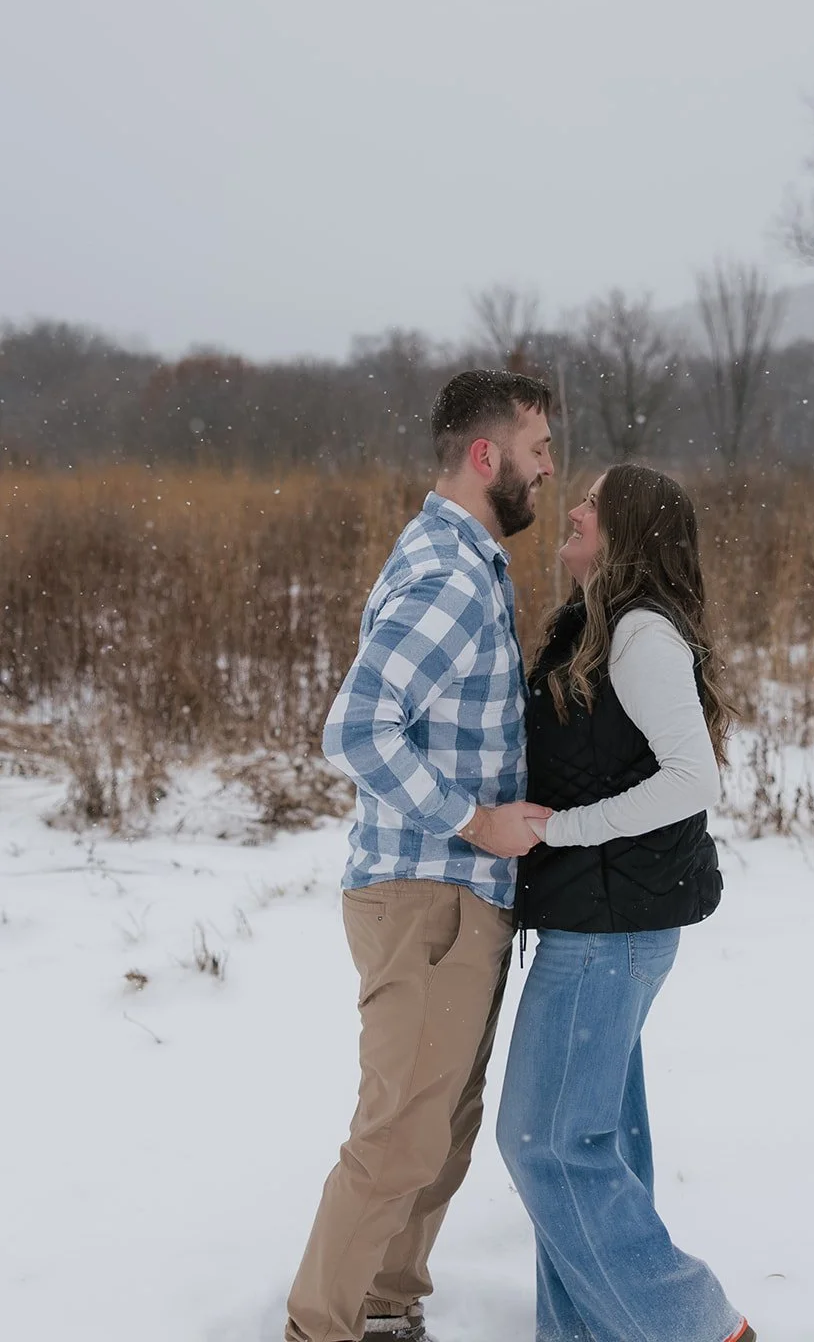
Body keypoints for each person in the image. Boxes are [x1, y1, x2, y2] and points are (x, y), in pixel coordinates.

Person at [285, 369, 554, 1342]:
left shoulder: (467, 561)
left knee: (439, 1130)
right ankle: (320, 1326)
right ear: (487, 457)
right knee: (400, 1133)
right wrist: (475, 822)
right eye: (537, 451)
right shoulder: (447, 574)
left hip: (458, 896)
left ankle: (386, 1302)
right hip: (425, 891)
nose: (548, 471)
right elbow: (355, 728)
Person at [497, 464, 755, 1342]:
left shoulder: (640, 635)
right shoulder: (599, 626)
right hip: (608, 922)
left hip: (609, 930)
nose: (572, 508)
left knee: (547, 1147)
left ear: (629, 532)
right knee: (597, 1142)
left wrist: (560, 830)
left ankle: (694, 1326)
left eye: (593, 504)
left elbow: (693, 779)